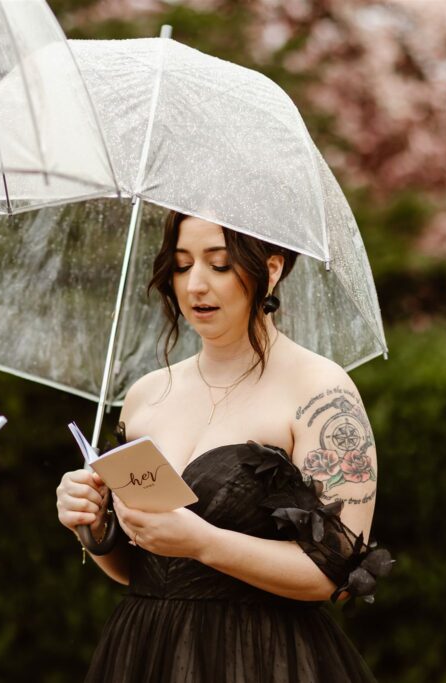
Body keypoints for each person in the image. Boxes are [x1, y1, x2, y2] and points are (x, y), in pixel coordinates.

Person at [56, 210, 392, 682]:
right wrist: (93, 528)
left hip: (260, 656)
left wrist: (203, 543)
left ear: (270, 269)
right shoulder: (146, 395)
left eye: (218, 264)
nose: (195, 285)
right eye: (181, 265)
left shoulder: (320, 393)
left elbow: (332, 574)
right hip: (145, 652)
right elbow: (142, 569)